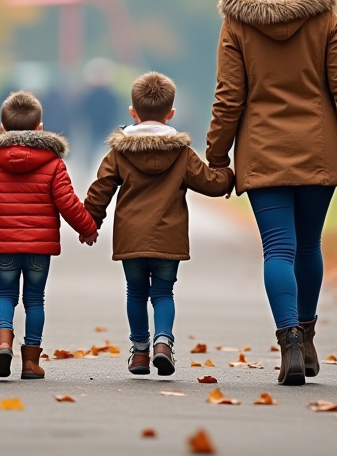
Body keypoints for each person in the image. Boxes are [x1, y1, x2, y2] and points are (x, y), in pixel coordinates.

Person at [207, 0, 337, 386]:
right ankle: (307, 332)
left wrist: (217, 154)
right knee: (307, 245)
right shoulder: (324, 17)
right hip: (317, 149)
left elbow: (229, 97)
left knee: (277, 248)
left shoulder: (237, 23)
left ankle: (290, 342)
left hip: (263, 152)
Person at [84, 72, 234, 377]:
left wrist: (90, 222)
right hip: (169, 237)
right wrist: (229, 175)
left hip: (131, 238)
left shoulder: (119, 151)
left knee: (136, 293)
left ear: (132, 112)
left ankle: (140, 353)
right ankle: (163, 342)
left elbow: (100, 189)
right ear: (171, 114)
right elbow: (210, 183)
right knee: (163, 293)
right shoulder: (181, 153)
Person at [0, 91, 98, 380]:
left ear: (3, 128)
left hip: (5, 247)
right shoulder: (53, 164)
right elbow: (68, 202)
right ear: (39, 127)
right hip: (40, 249)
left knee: (5, 294)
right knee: (35, 300)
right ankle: (31, 362)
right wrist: (87, 228)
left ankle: (3, 343)